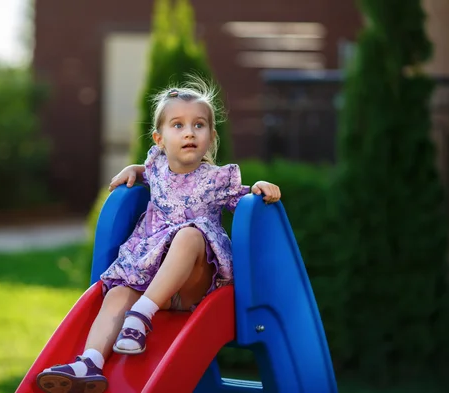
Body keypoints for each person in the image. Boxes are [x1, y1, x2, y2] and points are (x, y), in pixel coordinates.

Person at [36, 77, 281, 393]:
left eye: (199, 125)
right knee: (116, 294)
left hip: (194, 285)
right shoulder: (155, 169)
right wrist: (134, 170)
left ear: (212, 137)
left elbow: (241, 201)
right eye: (177, 125)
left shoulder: (217, 179)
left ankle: (141, 314)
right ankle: (90, 362)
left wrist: (258, 190)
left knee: (191, 235)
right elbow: (145, 169)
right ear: (160, 139)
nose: (189, 132)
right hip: (150, 279)